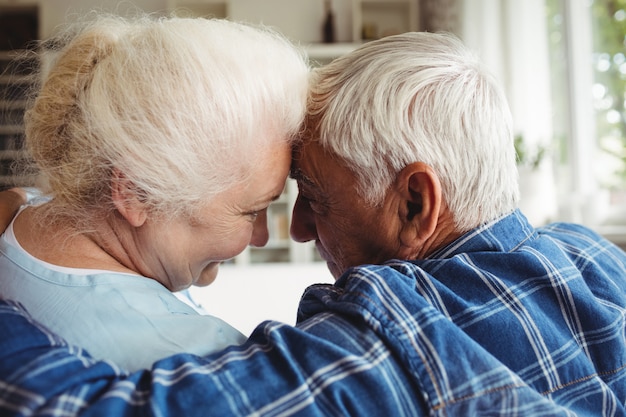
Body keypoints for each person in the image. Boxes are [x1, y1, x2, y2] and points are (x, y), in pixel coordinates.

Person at [1, 31, 625, 416]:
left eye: (314, 196)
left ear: (414, 204)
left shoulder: (383, 348)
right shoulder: (594, 257)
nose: (295, 230)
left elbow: (64, 409)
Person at [0, 13, 309, 371]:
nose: (262, 237)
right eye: (251, 212)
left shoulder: (24, 211)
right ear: (135, 194)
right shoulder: (196, 366)